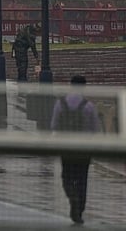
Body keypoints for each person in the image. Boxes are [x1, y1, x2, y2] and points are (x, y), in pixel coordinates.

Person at [50, 75, 102, 224]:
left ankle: (72, 197)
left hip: (66, 147)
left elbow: (54, 126)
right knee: (82, 179)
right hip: (84, 148)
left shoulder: (60, 104)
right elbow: (95, 129)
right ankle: (79, 208)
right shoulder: (89, 106)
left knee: (66, 177)